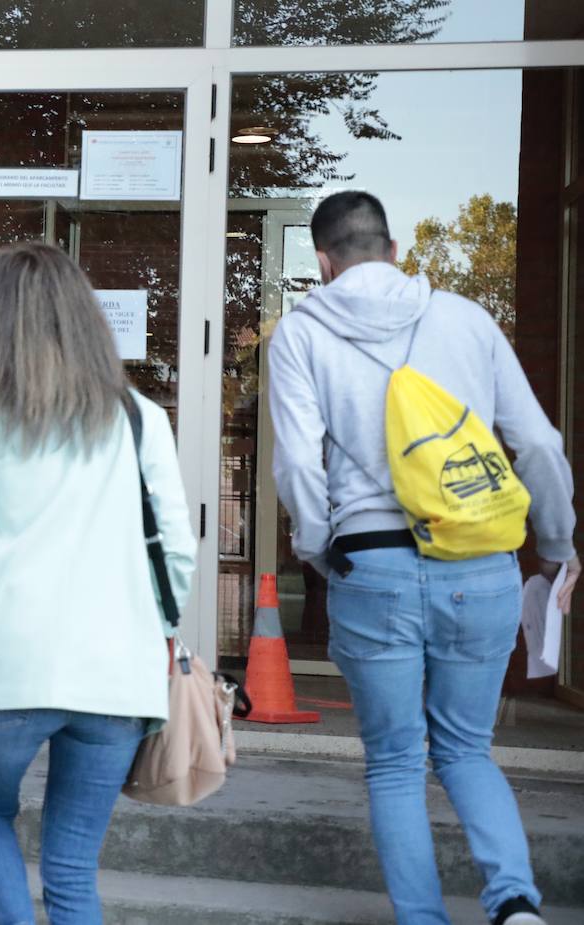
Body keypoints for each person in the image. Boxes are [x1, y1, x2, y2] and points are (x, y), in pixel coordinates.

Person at [267, 190, 581, 925]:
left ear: (323, 262)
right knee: (468, 749)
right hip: (480, 564)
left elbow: (298, 466)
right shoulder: (466, 320)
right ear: (395, 250)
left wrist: (320, 550)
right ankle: (515, 904)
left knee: (395, 761)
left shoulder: (300, 334)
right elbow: (539, 445)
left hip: (371, 562)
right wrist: (558, 548)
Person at [0, 242, 197, 924]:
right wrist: (163, 634)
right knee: (74, 871)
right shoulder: (141, 418)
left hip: (6, 667)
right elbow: (177, 549)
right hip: (116, 671)